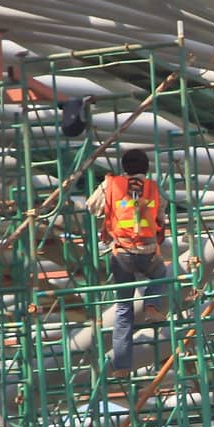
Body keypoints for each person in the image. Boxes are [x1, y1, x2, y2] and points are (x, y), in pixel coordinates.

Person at [85, 148, 169, 375]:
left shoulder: (111, 185)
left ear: (124, 166)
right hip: (148, 251)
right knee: (161, 273)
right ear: (146, 168)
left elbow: (91, 207)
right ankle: (153, 304)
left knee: (123, 309)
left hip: (121, 253)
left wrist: (110, 194)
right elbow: (161, 217)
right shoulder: (153, 188)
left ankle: (122, 365)